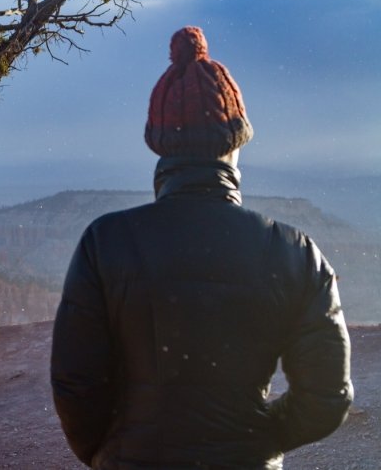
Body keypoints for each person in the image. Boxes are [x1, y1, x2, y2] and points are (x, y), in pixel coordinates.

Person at [50, 26, 353, 469]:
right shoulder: (294, 252)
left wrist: (109, 452)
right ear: (234, 145)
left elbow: (77, 385)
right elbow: (326, 396)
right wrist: (258, 439)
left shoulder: (107, 242)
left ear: (161, 146)